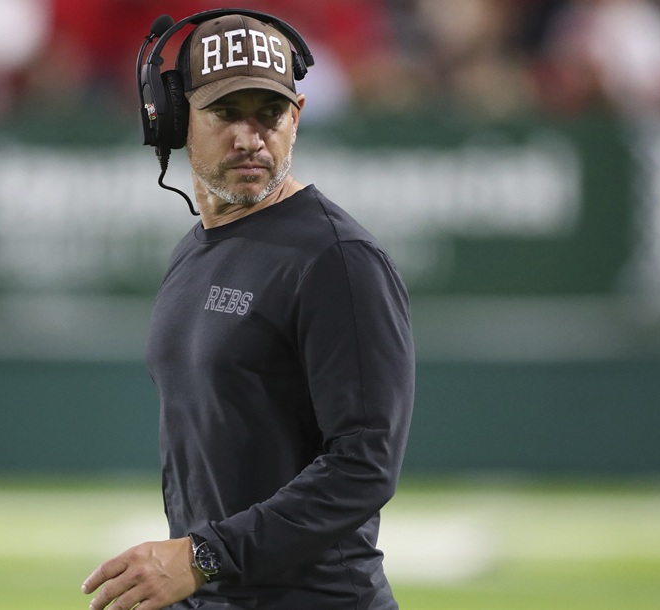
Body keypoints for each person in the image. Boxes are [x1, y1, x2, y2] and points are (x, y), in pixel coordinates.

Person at [82, 10, 415, 610]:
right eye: (226, 113)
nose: (250, 138)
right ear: (177, 115)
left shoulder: (338, 259)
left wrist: (204, 556)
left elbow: (365, 464)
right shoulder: (195, 249)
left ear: (299, 116)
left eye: (270, 114)